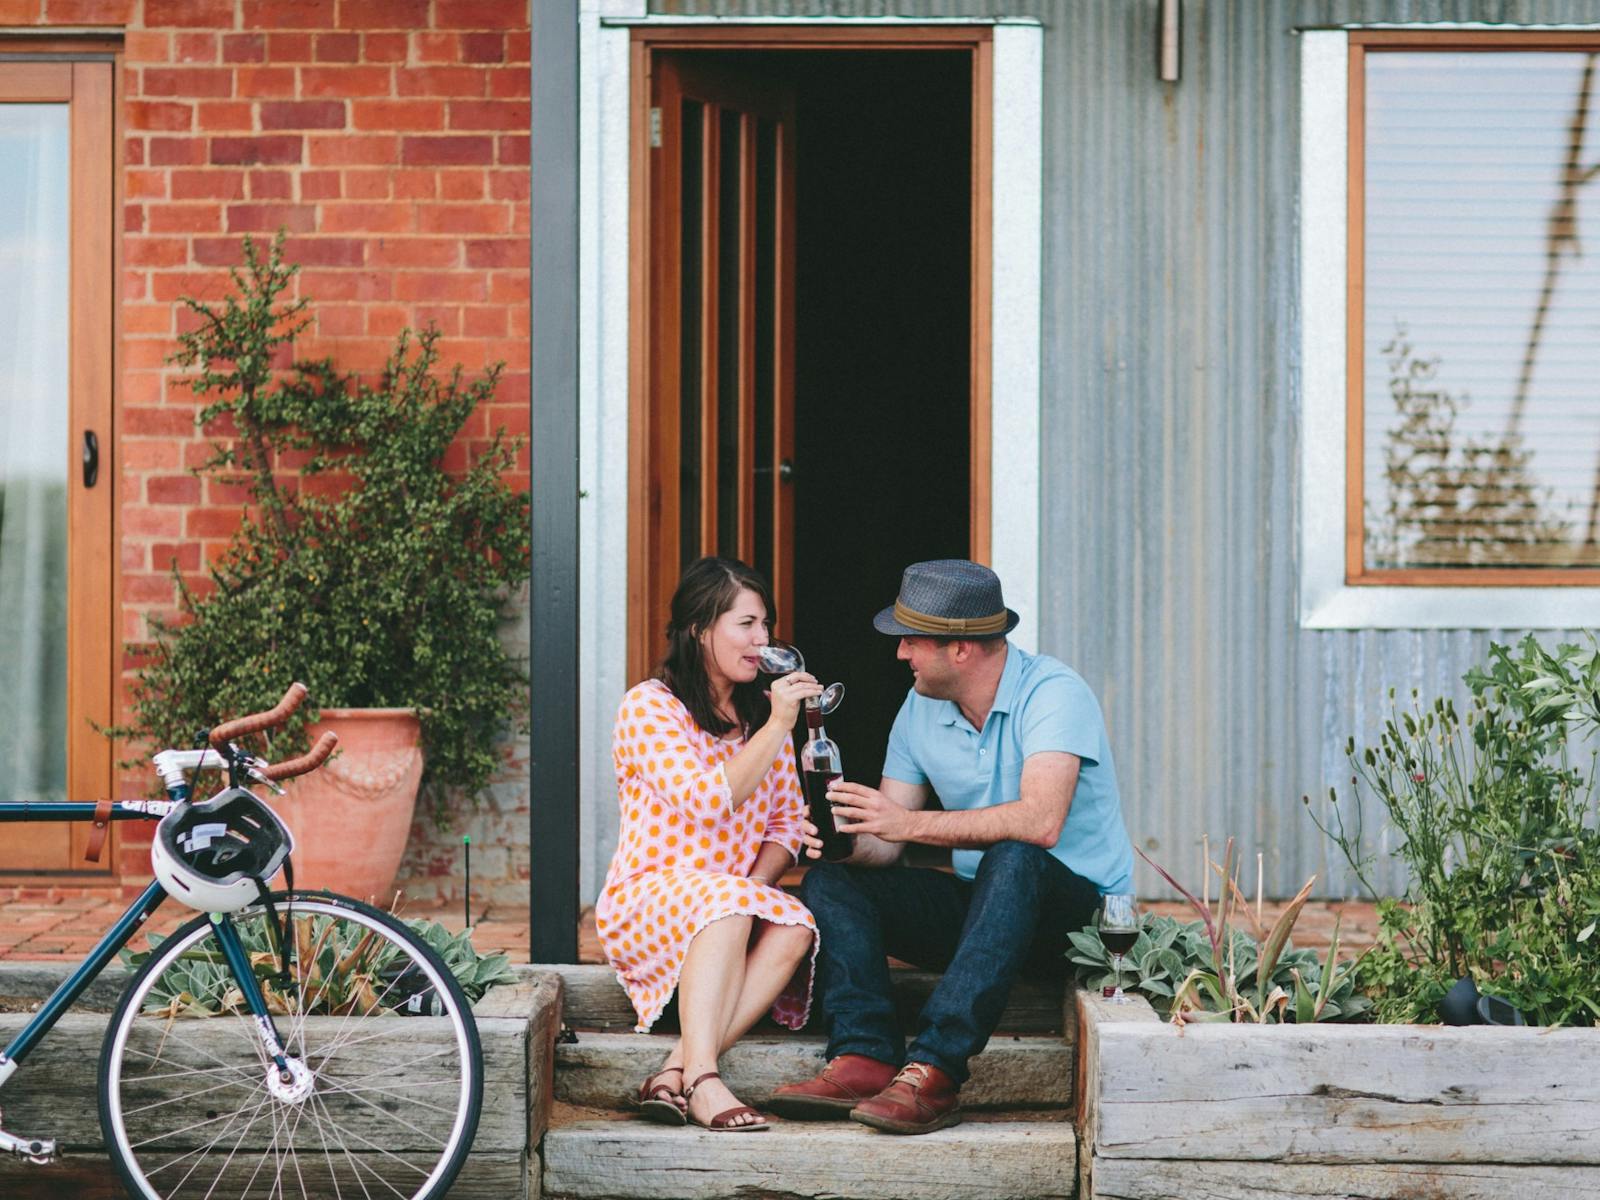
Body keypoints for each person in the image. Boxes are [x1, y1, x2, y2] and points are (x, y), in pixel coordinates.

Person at [769, 558, 1135, 1135]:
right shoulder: (920, 708)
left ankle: (934, 1070)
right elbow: (887, 845)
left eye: (910, 640)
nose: (899, 654)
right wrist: (843, 841)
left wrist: (905, 826)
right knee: (831, 881)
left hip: (1078, 926)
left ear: (959, 648)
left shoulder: (1054, 693)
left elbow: (1040, 823)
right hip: (984, 915)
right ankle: (864, 1056)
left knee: (1014, 856)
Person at [595, 556, 822, 1133]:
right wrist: (778, 728)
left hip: (727, 911)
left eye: (765, 625)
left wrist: (752, 890)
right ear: (700, 628)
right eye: (745, 624)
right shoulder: (649, 707)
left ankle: (675, 1070)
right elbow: (705, 800)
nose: (762, 639)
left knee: (794, 925)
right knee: (725, 904)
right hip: (648, 902)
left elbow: (789, 824)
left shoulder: (754, 717)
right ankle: (704, 1079)